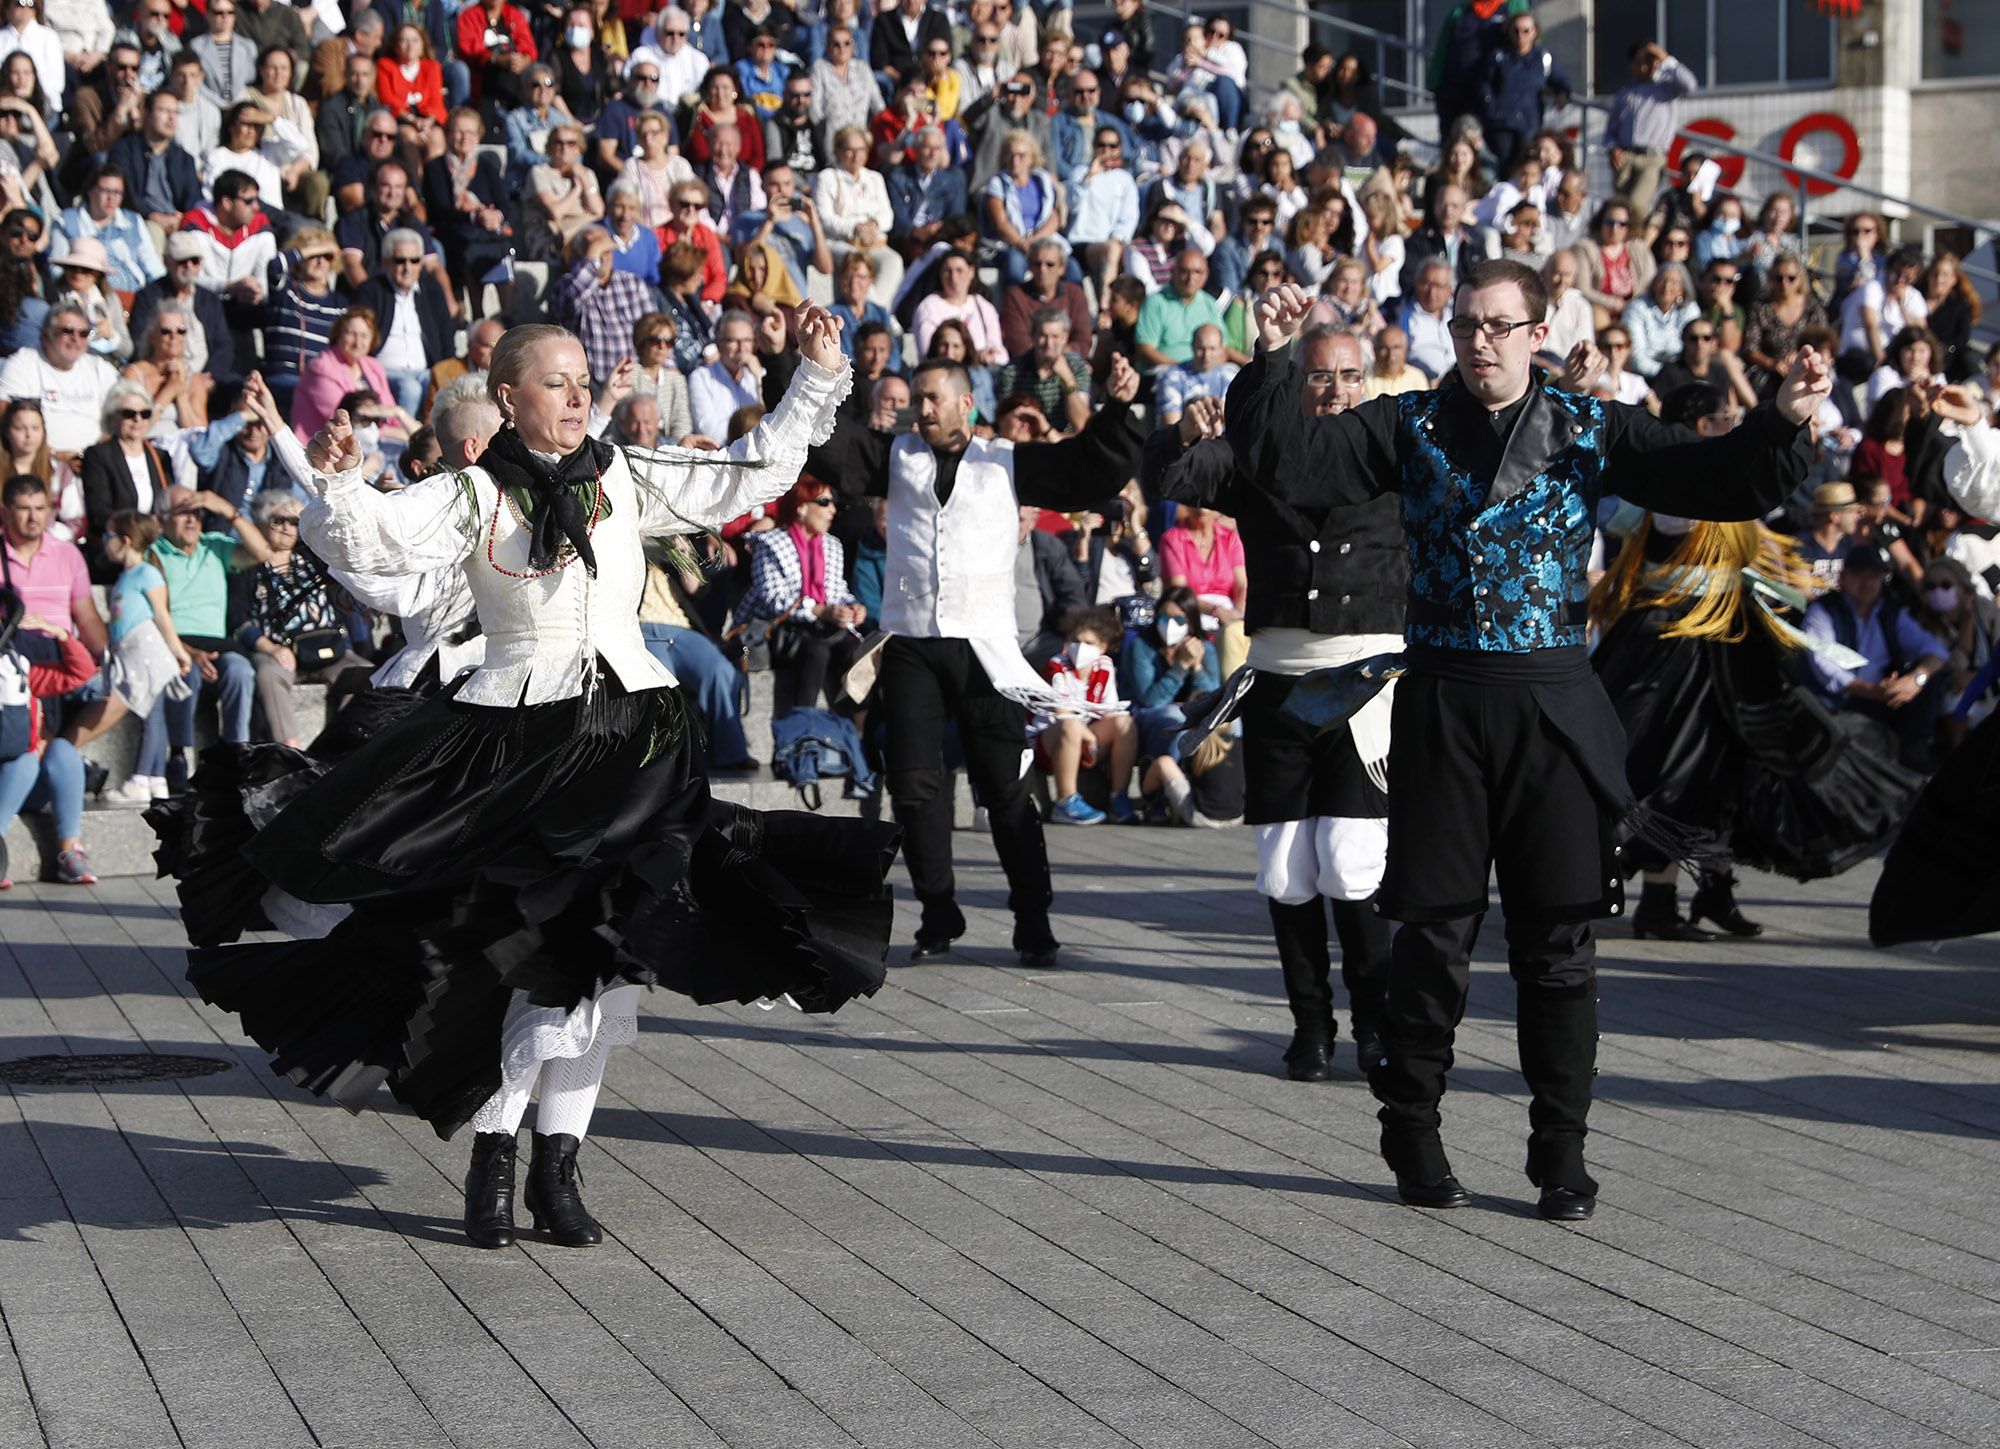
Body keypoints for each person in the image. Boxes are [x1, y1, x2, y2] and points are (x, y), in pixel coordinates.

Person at [150, 308, 898, 1254]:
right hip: (517, 746)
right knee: (523, 960)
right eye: (556, 379)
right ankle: (496, 1157)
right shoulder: (473, 494)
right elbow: (380, 540)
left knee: (608, 965)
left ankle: (561, 1163)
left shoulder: (623, 475)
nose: (580, 392)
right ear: (509, 397)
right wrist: (337, 477)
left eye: (585, 375)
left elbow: (743, 473)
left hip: (638, 746)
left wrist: (813, 376)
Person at [1228, 264, 1828, 1220]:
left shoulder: (1590, 425)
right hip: (1445, 709)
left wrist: (1787, 416)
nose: (1482, 342)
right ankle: (1413, 1132)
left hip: (1551, 705)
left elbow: (1711, 474)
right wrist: (1268, 356)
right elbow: (1289, 460)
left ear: (1538, 330)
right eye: (1467, 325)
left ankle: (1561, 1153)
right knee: (1435, 935)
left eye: (1502, 326)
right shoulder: (1410, 422)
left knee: (1559, 947)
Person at [800, 351, 1145, 965]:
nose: (921, 409)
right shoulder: (896, 455)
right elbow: (833, 446)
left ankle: (1032, 918)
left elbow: (1086, 469)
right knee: (911, 783)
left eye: (933, 398)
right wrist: (802, 366)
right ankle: (938, 913)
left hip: (984, 648)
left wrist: (1117, 408)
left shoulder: (1005, 461)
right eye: (916, 399)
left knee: (1005, 787)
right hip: (911, 644)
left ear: (966, 403)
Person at [1152, 327, 1403, 1081]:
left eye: (1351, 377)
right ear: (1297, 386)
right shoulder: (1257, 450)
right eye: (1321, 377)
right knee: (1286, 869)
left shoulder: (1399, 452)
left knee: (1352, 864)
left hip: (1365, 686)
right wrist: (1181, 432)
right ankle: (1311, 1025)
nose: (1337, 391)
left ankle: (1377, 1026)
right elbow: (1173, 479)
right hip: (1277, 682)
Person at [1590, 386, 1923, 942]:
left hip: (1726, 644)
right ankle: (1659, 902)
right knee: (1675, 771)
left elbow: (1751, 538)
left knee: (1737, 767)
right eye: (1723, 417)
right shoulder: (1677, 485)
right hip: (1675, 647)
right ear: (1698, 429)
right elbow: (1688, 522)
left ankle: (1714, 892)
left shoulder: (1717, 483)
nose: (1731, 423)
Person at [1, 472, 104, 884]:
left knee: (62, 750)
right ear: (6, 512)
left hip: (54, 662)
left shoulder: (66, 554)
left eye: (40, 509)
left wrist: (69, 637)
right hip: (13, 664)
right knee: (26, 757)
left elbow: (87, 625)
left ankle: (69, 851)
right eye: (23, 509)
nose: (32, 517)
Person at [55, 509, 195, 805]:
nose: (104, 540)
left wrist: (178, 650)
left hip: (146, 650)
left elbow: (161, 614)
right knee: (149, 713)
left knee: (150, 716)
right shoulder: (129, 575)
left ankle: (141, 778)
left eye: (108, 535)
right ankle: (155, 779)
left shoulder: (147, 573)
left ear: (126, 540)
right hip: (131, 652)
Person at [147, 477, 268, 786]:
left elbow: (262, 552)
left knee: (240, 670)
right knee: (186, 673)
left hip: (218, 644)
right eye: (183, 512)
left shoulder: (214, 545)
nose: (192, 520)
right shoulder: (152, 554)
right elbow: (150, 618)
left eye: (197, 513)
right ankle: (179, 756)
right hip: (174, 643)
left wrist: (228, 511)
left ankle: (237, 754)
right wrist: (188, 652)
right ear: (161, 520)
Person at [741, 478, 865, 715]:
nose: (833, 510)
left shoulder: (831, 545)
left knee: (854, 651)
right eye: (824, 502)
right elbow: (773, 598)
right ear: (802, 507)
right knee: (816, 651)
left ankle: (851, 733)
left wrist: (852, 607)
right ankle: (801, 726)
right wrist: (820, 610)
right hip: (776, 627)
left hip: (817, 627)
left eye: (833, 502)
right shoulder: (770, 544)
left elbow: (836, 589)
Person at [1029, 606, 1138, 825]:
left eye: (1089, 643)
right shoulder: (1056, 666)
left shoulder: (1105, 667)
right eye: (1076, 641)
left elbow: (1111, 710)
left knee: (1125, 724)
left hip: (1086, 738)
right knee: (1069, 725)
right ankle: (1066, 801)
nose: (1080, 648)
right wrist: (1089, 737)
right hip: (1049, 739)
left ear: (1102, 647)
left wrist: (1091, 736)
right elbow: (1061, 713)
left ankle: (1119, 798)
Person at [0, 304, 122, 460]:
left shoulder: (101, 369)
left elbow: (120, 421)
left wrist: (94, 457)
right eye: (67, 331)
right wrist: (56, 456)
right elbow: (5, 419)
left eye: (83, 333)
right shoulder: (23, 363)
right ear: (46, 336)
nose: (75, 338)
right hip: (39, 463)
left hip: (93, 465)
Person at [1604, 40, 1693, 216]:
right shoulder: (1626, 93)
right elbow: (1611, 127)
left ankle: (1634, 241)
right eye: (1639, 62)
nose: (1644, 67)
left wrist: (1666, 58)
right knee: (1621, 206)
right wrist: (1612, 147)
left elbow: (1690, 84)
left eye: (1649, 62)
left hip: (1652, 158)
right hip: (1626, 156)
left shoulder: (1666, 88)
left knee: (1637, 205)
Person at [1477, 11, 1569, 172]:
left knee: (1527, 165)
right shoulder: (1499, 56)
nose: (1521, 36)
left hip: (1530, 123)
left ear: (1535, 32)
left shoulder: (1542, 58)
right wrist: (1491, 109)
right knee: (1505, 168)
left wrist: (1562, 94)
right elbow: (1483, 84)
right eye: (1516, 31)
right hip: (1502, 124)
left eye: (1526, 31)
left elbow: (1560, 81)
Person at [994, 307, 1090, 435]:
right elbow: (1004, 420)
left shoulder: (1077, 368)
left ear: (1065, 337)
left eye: (1055, 336)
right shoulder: (1012, 371)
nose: (1049, 343)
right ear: (1033, 336)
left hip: (1067, 441)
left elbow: (1081, 423)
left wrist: (1068, 379)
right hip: (1029, 440)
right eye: (1043, 336)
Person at [1364, 324, 1428, 398]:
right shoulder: (1366, 380)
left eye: (1396, 347)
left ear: (1406, 350)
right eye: (1384, 348)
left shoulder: (1417, 377)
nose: (1391, 355)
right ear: (1375, 351)